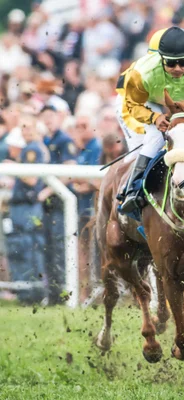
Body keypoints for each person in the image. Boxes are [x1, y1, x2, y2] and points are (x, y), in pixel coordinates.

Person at [119, 27, 184, 213]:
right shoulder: (141, 73)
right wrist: (154, 117)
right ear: (161, 58)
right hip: (150, 102)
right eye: (171, 63)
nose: (177, 68)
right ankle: (133, 189)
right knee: (155, 137)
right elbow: (133, 105)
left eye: (183, 63)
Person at [5, 115, 48, 304]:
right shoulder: (36, 148)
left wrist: (14, 167)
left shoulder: (31, 150)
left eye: (29, 127)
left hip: (27, 208)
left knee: (26, 247)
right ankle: (31, 292)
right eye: (23, 127)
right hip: (25, 207)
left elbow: (31, 179)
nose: (26, 131)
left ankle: (30, 294)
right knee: (28, 247)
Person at [39, 105, 78, 305]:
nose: (47, 121)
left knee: (60, 248)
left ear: (59, 117)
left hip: (59, 205)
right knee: (48, 249)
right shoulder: (44, 141)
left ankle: (64, 294)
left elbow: (71, 168)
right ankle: (52, 294)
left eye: (50, 116)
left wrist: (49, 189)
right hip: (46, 206)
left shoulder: (64, 140)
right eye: (44, 117)